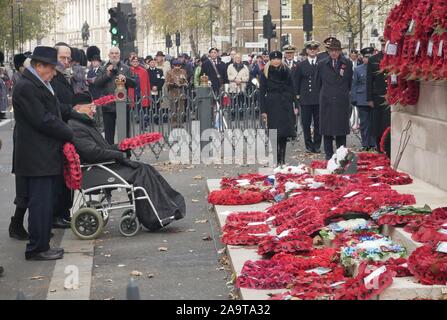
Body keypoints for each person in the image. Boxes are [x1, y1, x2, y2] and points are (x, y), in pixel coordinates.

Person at [68, 93, 186, 231]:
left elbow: (101, 149)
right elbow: (93, 153)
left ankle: (169, 207)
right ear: (77, 108)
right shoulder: (76, 126)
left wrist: (121, 147)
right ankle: (157, 215)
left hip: (102, 165)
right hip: (96, 169)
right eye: (90, 107)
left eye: (93, 106)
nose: (94, 110)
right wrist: (118, 154)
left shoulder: (83, 123)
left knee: (146, 168)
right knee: (141, 172)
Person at [13, 46, 74, 261]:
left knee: (44, 202)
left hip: (43, 154)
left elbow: (53, 111)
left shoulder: (38, 83)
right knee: (40, 204)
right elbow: (42, 119)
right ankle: (37, 248)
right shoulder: (26, 87)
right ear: (39, 66)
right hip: (36, 156)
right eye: (52, 68)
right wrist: (68, 132)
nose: (55, 73)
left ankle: (41, 245)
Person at [316, 39, 353, 160]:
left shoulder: (347, 63)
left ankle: (341, 156)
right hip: (326, 101)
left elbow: (349, 82)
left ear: (340, 51)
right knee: (327, 131)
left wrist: (343, 94)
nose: (334, 53)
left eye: (336, 51)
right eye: (331, 51)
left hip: (341, 101)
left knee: (341, 130)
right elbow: (318, 83)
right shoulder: (321, 64)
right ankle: (328, 155)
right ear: (328, 51)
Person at [260, 51, 296, 166]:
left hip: (285, 104)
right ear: (270, 60)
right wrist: (263, 110)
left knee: (284, 133)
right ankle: (275, 158)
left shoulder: (287, 71)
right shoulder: (265, 73)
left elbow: (292, 88)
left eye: (278, 59)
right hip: (272, 104)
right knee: (274, 132)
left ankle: (282, 159)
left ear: (281, 59)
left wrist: (294, 103)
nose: (276, 61)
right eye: (274, 59)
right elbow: (261, 93)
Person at [94, 47, 135, 145]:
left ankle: (126, 154)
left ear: (119, 55)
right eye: (112, 53)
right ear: (108, 55)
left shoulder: (126, 68)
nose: (114, 55)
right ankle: (111, 156)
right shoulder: (103, 68)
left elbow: (134, 84)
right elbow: (97, 84)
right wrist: (107, 74)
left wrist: (126, 79)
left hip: (123, 105)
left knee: (124, 133)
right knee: (109, 134)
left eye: (116, 53)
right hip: (108, 106)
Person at [294, 40, 322, 154]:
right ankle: (308, 145)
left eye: (314, 49)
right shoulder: (301, 65)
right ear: (307, 50)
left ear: (317, 51)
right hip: (305, 98)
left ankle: (317, 145)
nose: (312, 51)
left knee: (318, 123)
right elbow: (296, 82)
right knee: (305, 123)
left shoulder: (322, 63)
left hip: (319, 97)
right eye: (310, 49)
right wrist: (297, 98)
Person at [367, 36, 390, 151]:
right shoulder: (373, 59)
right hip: (378, 96)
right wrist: (369, 98)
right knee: (378, 124)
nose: (384, 48)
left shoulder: (394, 57)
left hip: (391, 96)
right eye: (383, 45)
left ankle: (388, 147)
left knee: (388, 123)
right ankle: (379, 146)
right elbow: (369, 80)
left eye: (386, 45)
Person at [352, 47, 376, 151]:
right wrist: (354, 99)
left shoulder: (376, 68)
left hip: (374, 100)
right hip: (362, 99)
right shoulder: (358, 69)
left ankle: (373, 143)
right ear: (362, 57)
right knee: (364, 123)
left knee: (374, 122)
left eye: (370, 57)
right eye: (366, 57)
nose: (368, 59)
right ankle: (365, 143)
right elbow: (354, 85)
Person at [165, 60, 188, 126]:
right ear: (173, 66)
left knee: (181, 108)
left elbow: (186, 81)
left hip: (181, 91)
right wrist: (172, 84)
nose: (177, 67)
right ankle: (174, 122)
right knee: (173, 108)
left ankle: (180, 122)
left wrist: (184, 83)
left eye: (179, 66)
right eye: (175, 65)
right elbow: (167, 82)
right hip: (173, 91)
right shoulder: (169, 72)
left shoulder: (183, 72)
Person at [227, 53, 250, 120]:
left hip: (242, 87)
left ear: (241, 59)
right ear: (234, 59)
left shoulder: (245, 67)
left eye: (239, 58)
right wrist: (235, 79)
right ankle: (232, 116)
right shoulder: (230, 66)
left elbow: (247, 77)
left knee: (241, 102)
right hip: (233, 87)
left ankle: (241, 115)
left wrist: (241, 80)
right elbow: (229, 76)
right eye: (236, 58)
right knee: (233, 102)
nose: (237, 59)